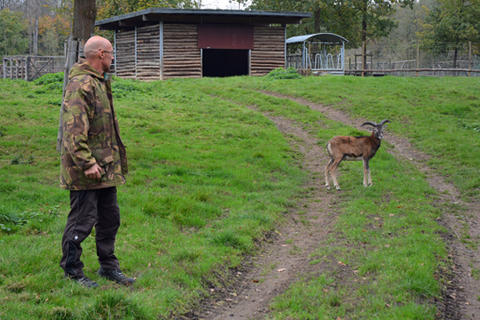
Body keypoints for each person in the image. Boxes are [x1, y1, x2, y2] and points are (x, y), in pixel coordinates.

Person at [59, 35, 134, 288]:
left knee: (110, 218)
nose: (113, 58)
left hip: (105, 168)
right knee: (82, 221)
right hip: (86, 170)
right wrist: (87, 162)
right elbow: (73, 130)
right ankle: (72, 271)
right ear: (100, 54)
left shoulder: (99, 82)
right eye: (111, 53)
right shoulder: (81, 84)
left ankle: (108, 267)